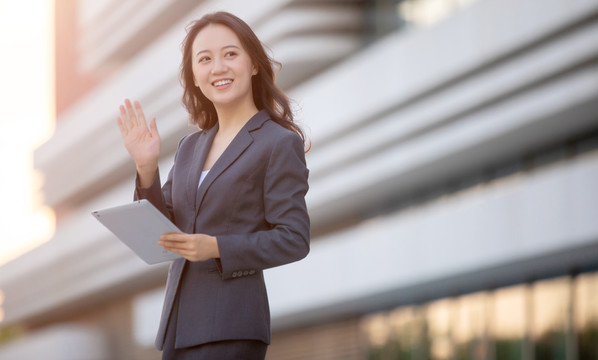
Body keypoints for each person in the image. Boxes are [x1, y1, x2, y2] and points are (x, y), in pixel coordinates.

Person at [116, 11, 310, 360]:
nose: (217, 67)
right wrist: (146, 169)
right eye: (204, 59)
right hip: (177, 327)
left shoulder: (277, 143)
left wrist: (217, 247)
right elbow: (167, 232)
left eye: (230, 54)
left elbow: (294, 239)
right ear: (194, 76)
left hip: (231, 326)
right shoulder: (190, 148)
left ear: (253, 64)